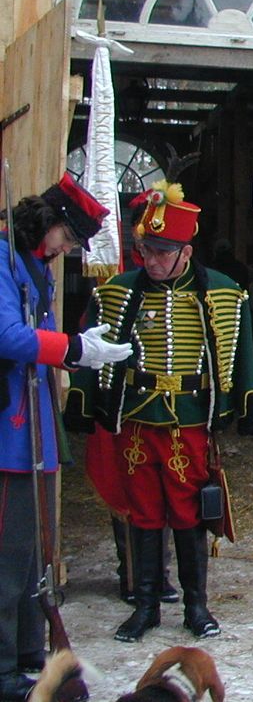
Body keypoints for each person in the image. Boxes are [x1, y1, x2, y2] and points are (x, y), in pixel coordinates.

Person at [65, 180, 253, 644]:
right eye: (145, 251)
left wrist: (247, 406)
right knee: (143, 512)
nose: (150, 261)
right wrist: (83, 403)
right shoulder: (116, 293)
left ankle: (196, 606)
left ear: (185, 252)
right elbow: (93, 349)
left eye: (161, 252)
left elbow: (243, 352)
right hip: (136, 418)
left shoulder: (223, 292)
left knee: (189, 513)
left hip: (189, 419)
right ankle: (146, 605)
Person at [1, 173, 132, 701]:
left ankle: (30, 656)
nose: (67, 249)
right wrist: (74, 348)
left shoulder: (33, 267)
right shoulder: (4, 260)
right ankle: (3, 668)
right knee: (9, 558)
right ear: (48, 222)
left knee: (32, 556)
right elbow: (9, 337)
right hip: (8, 430)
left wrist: (76, 348)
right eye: (68, 237)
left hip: (32, 430)